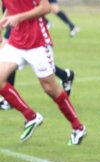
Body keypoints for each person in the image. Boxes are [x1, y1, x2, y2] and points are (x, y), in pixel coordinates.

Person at [0, 0, 86, 145]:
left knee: (50, 89)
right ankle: (31, 116)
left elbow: (45, 8)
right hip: (16, 42)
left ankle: (78, 127)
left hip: (38, 43)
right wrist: (2, 23)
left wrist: (18, 17)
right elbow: (11, 7)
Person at [0, 18, 75, 111]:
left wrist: (16, 17)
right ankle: (64, 75)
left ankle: (10, 101)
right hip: (15, 25)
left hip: (25, 27)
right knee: (13, 58)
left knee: (11, 57)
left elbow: (43, 7)